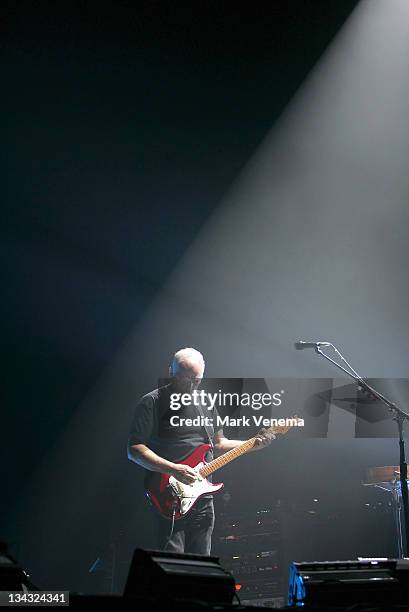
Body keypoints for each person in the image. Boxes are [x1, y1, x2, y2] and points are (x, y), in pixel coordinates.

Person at [127, 347, 271, 555]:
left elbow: (220, 444)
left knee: (201, 567)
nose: (189, 385)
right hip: (169, 495)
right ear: (170, 371)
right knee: (173, 566)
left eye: (195, 380)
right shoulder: (153, 401)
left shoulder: (206, 403)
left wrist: (254, 444)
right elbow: (134, 449)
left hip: (203, 498)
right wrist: (174, 469)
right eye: (183, 378)